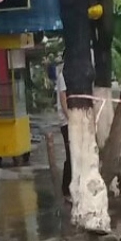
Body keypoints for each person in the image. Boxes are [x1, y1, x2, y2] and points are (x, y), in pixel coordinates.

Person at [53, 62, 71, 201]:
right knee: (70, 155)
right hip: (66, 122)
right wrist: (70, 118)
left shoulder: (72, 74)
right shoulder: (63, 76)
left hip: (72, 120)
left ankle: (71, 187)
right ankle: (66, 190)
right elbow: (63, 98)